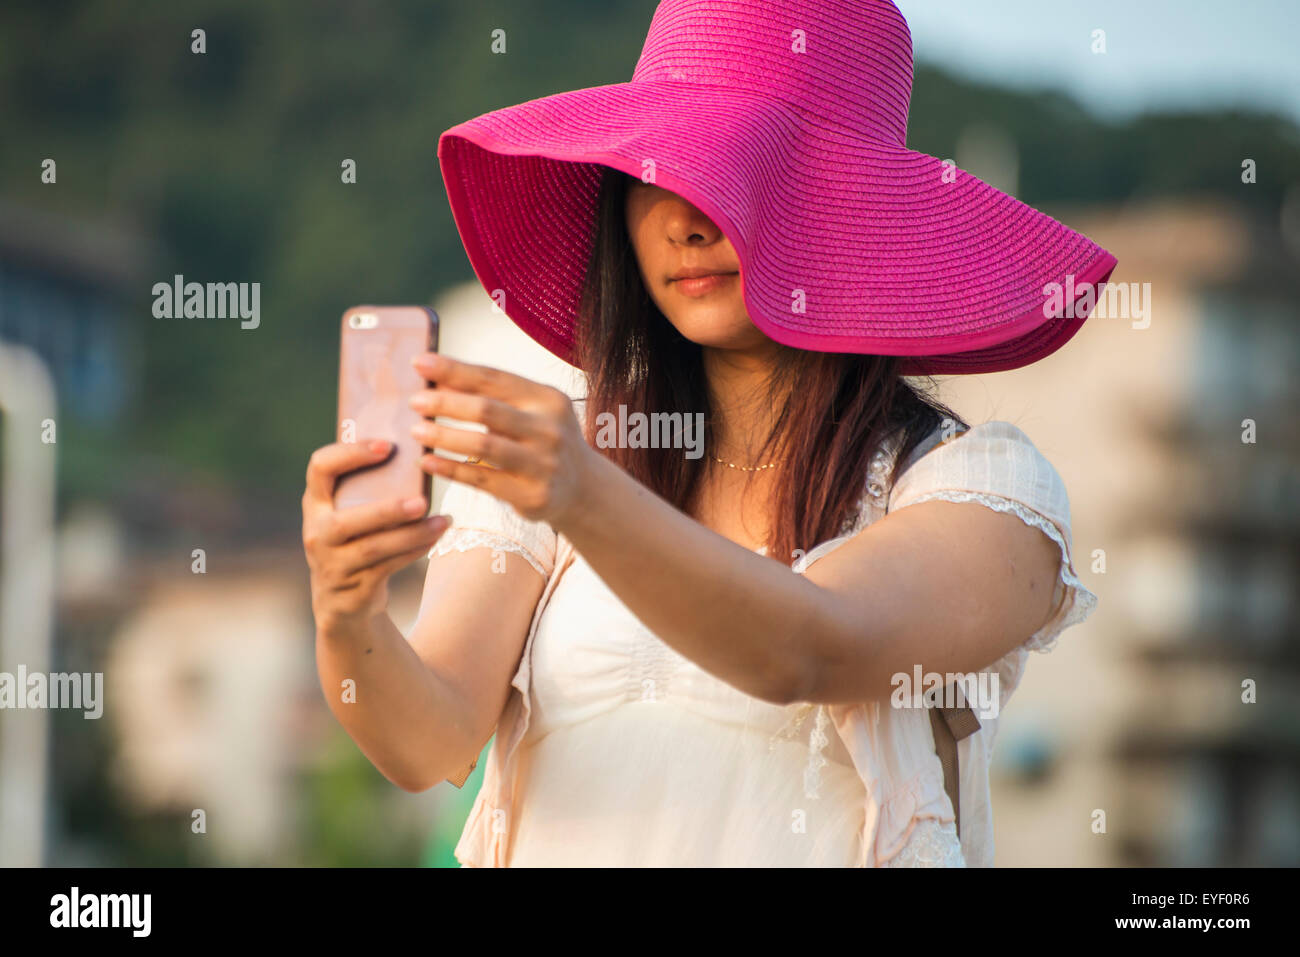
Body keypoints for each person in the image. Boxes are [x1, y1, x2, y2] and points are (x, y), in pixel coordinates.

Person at [302, 0, 1115, 867]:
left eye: (733, 168)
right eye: (658, 170)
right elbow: (429, 742)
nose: (687, 219)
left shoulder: (978, 485)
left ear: (851, 201)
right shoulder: (566, 462)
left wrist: (581, 491)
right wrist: (345, 609)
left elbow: (811, 647)